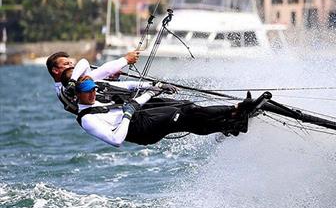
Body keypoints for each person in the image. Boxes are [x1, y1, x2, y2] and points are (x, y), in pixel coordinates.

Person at [74, 75, 270, 147]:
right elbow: (116, 141)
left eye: (93, 90)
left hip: (141, 115)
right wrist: (128, 113)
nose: (91, 94)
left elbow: (130, 86)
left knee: (187, 116)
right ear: (77, 96)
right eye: (86, 92)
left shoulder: (98, 93)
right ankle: (238, 109)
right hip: (141, 129)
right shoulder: (88, 120)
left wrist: (153, 86)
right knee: (187, 111)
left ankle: (232, 124)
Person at [45, 50, 140, 114]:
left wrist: (110, 78)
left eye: (71, 63)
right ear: (55, 70)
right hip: (119, 113)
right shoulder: (65, 89)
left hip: (120, 105)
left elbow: (96, 82)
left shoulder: (70, 82)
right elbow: (86, 64)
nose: (72, 66)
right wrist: (125, 60)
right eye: (66, 64)